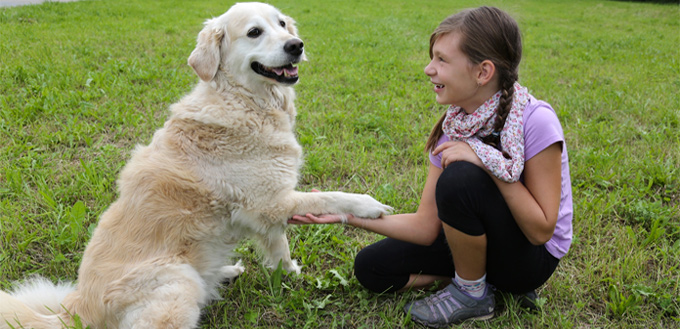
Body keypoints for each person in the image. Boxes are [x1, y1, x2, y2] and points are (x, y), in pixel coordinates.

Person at [289, 6, 572, 328]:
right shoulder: (456, 126)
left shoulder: (536, 120)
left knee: (459, 178)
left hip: (527, 261)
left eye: (442, 60)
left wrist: (485, 161)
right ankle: (480, 280)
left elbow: (541, 231)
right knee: (372, 268)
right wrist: (345, 214)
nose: (428, 69)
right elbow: (425, 227)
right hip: (480, 244)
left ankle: (472, 295)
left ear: (483, 72)